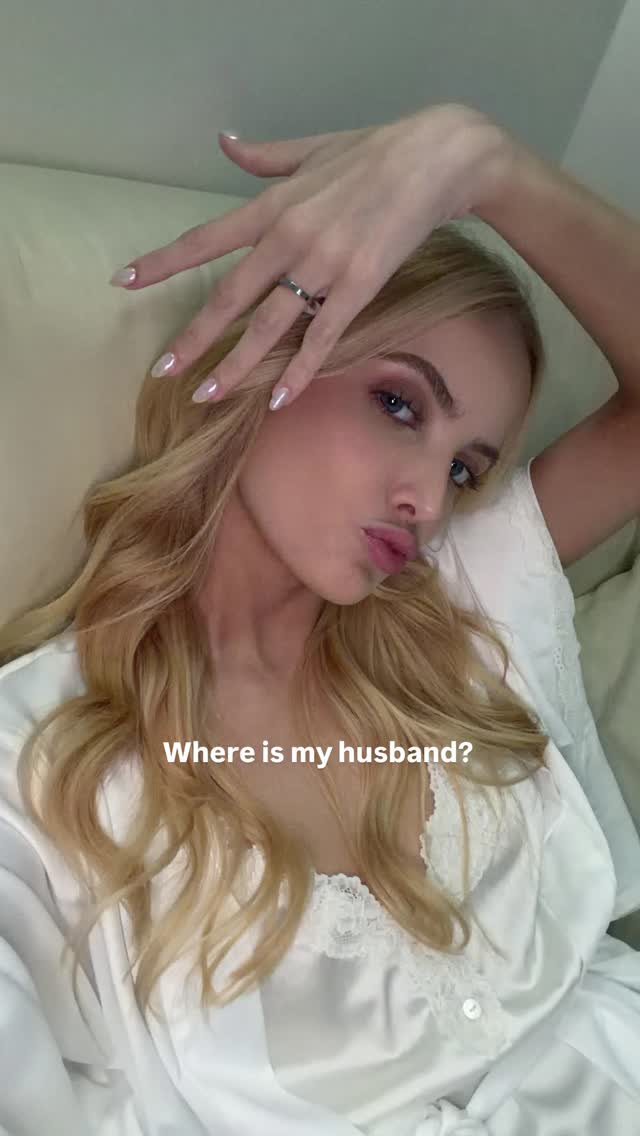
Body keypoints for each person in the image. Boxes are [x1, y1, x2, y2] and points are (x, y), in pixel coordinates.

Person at [1, 101, 640, 1135]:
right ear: (265, 354)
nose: (427, 502)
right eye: (400, 405)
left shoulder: (455, 600)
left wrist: (488, 166)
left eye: (465, 468)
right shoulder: (44, 755)